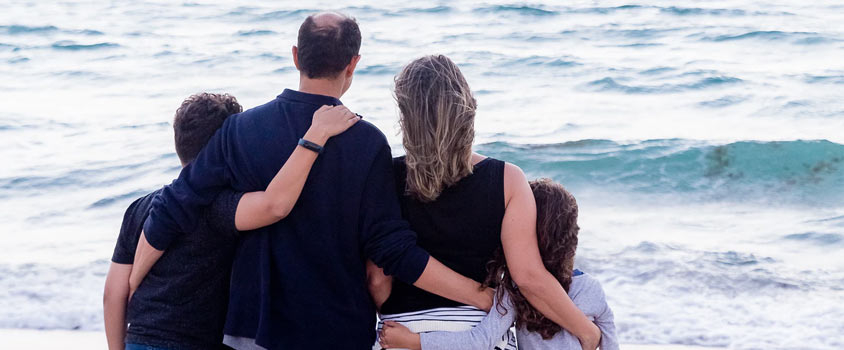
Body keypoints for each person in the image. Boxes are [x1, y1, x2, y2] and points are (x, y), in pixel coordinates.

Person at [132, 12, 493, 350]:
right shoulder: (366, 142)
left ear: (295, 56)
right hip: (337, 329)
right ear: (353, 64)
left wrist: (131, 283)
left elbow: (177, 204)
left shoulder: (240, 131)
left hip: (253, 329)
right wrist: (480, 295)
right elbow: (392, 250)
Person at [365, 55, 601, 350]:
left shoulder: (384, 176)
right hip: (482, 333)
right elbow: (528, 278)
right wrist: (586, 331)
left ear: (405, 116)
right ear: (467, 109)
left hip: (403, 335)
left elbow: (376, 280)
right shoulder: (507, 179)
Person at [103, 93, 360, 350]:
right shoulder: (218, 206)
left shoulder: (140, 208)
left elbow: (113, 295)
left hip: (138, 340)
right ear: (229, 144)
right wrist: (315, 137)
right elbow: (275, 205)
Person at [378, 179, 619, 350]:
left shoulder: (516, 292)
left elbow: (479, 341)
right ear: (570, 234)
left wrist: (414, 342)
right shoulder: (591, 289)